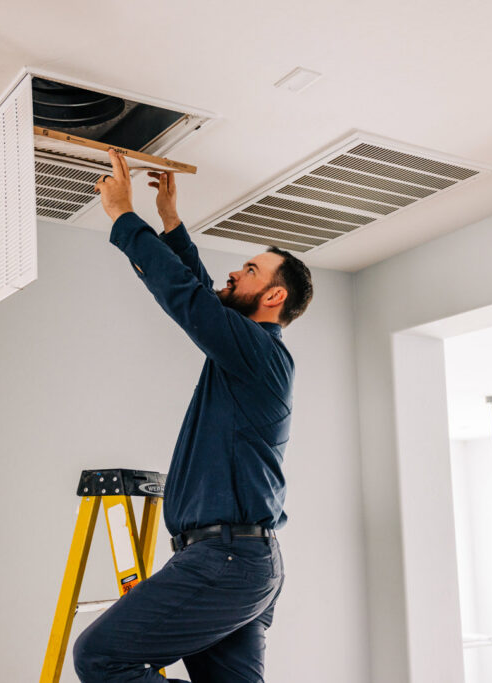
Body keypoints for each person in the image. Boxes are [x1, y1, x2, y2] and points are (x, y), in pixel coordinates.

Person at [72, 150, 313, 682]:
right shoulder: (248, 354)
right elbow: (203, 293)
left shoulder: (258, 353)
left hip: (227, 561)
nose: (235, 269)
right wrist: (171, 223)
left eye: (249, 270)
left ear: (273, 296)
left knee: (99, 657)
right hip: (238, 561)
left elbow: (187, 297)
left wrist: (123, 217)